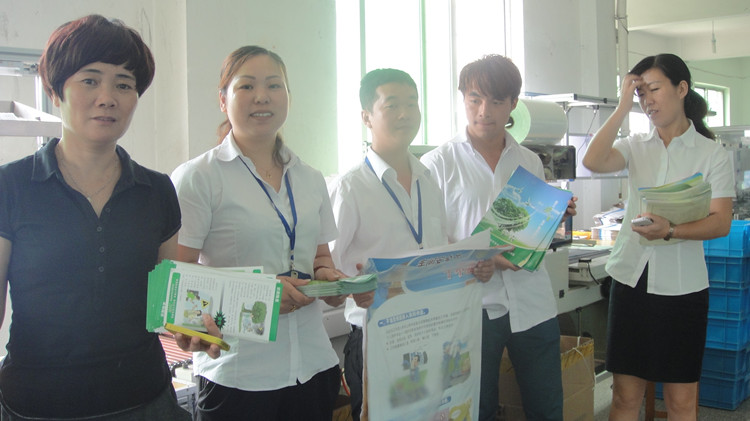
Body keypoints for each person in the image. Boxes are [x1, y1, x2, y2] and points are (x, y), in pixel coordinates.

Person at [0, 15, 189, 420]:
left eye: (124, 84)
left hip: (145, 401)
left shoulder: (157, 190)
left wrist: (195, 330)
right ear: (54, 91)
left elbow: (168, 307)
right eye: (90, 80)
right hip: (36, 405)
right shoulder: (10, 186)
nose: (108, 97)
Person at [171, 45, 346, 421]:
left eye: (274, 85)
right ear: (223, 100)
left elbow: (319, 258)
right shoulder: (199, 178)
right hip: (239, 376)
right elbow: (178, 282)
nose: (262, 96)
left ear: (288, 96)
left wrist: (330, 281)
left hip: (314, 368)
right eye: (246, 86)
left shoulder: (310, 178)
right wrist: (260, 295)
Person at [329, 68, 494, 420]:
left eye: (412, 103)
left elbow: (439, 248)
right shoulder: (350, 187)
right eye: (392, 105)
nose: (405, 114)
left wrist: (472, 267)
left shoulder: (428, 180)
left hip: (431, 331)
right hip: (378, 338)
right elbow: (327, 270)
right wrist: (354, 287)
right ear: (367, 117)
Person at [421, 54, 576, 421]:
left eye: (495, 101)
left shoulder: (529, 161)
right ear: (463, 99)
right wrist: (482, 258)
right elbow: (430, 245)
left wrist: (553, 216)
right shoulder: (437, 164)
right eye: (474, 99)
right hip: (473, 305)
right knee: (475, 407)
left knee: (547, 406)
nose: (483, 111)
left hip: (532, 302)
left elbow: (530, 231)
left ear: (513, 104)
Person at [582, 53, 734, 421]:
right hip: (631, 281)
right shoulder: (635, 145)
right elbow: (592, 161)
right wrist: (622, 107)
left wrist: (671, 230)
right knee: (624, 398)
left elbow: (720, 223)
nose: (647, 100)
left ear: (681, 89)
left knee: (681, 402)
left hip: (684, 288)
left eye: (654, 89)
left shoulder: (712, 154)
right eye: (640, 94)